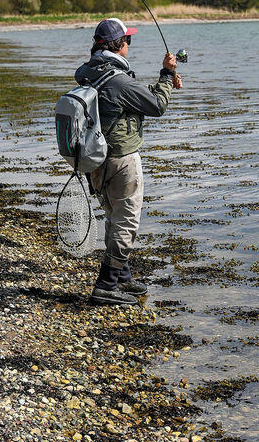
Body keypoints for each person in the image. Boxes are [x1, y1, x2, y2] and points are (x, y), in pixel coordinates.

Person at [75, 17, 182, 306]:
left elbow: (120, 99)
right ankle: (106, 285)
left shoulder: (87, 72)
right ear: (119, 45)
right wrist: (166, 75)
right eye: (128, 41)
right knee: (126, 221)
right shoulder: (119, 79)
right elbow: (157, 105)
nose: (129, 46)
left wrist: (159, 83)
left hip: (95, 159)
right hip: (122, 159)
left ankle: (123, 276)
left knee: (113, 216)